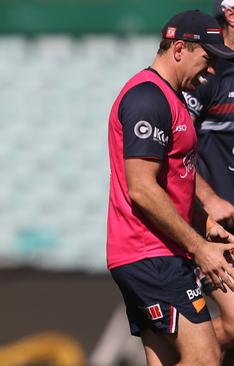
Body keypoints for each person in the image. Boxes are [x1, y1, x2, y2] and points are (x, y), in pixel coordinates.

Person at [106, 9, 234, 365]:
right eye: (207, 60)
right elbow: (143, 190)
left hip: (159, 253)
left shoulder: (171, 98)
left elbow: (174, 182)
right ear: (179, 49)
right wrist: (199, 248)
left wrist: (206, 226)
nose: (211, 72)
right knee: (206, 357)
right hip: (150, 254)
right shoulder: (148, 99)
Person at [183, 0, 234, 352]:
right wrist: (209, 199)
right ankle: (174, 354)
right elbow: (175, 148)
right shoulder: (209, 73)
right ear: (230, 14)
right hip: (218, 227)